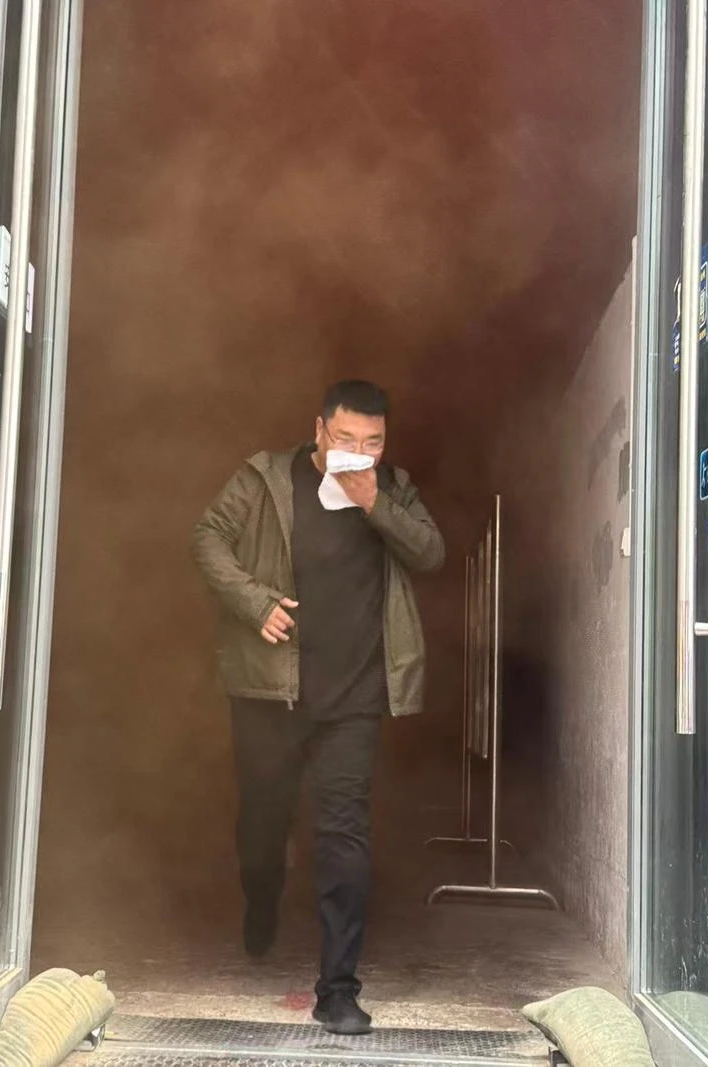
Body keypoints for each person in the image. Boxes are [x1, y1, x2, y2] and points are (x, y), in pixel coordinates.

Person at [191, 380, 444, 1035]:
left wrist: (374, 502)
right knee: (262, 821)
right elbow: (208, 537)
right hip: (269, 690)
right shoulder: (265, 478)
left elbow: (430, 552)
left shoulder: (393, 487)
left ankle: (338, 990)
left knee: (344, 835)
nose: (359, 452)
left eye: (373, 441)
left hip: (353, 698)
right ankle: (262, 895)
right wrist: (254, 602)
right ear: (319, 432)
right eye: (345, 439)